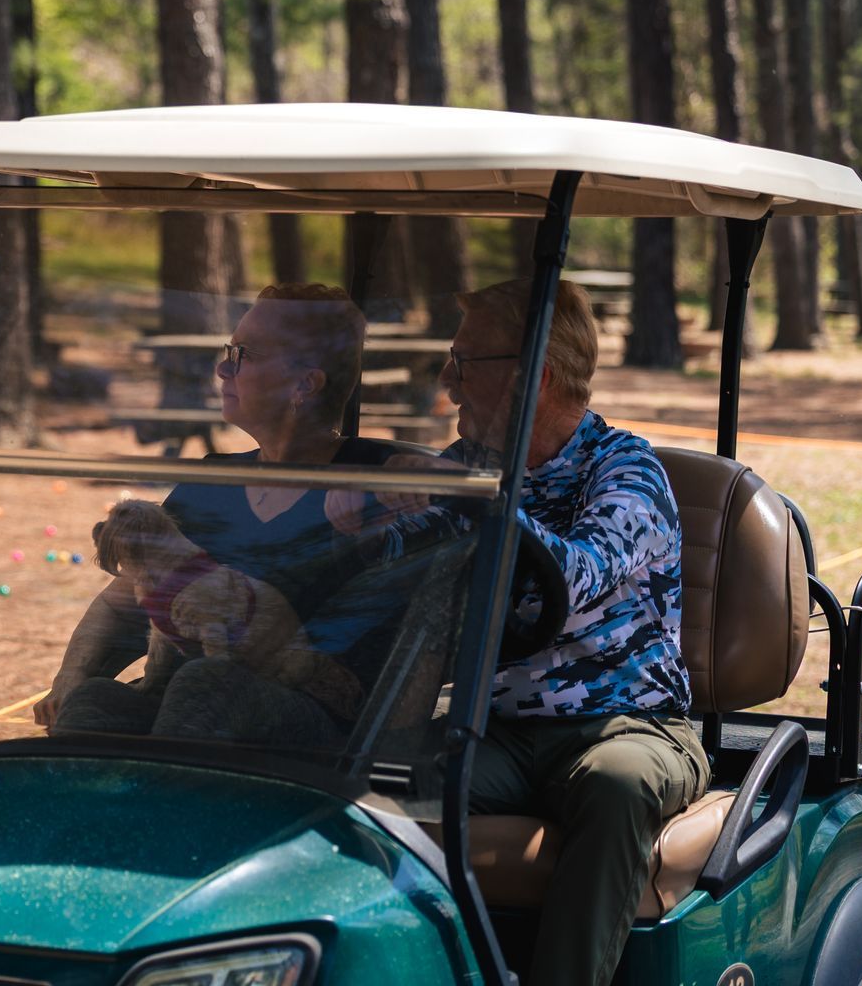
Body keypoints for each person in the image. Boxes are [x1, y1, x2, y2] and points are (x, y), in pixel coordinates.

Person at [436, 277, 708, 986]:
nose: (446, 383)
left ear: (535, 377)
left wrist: (471, 502)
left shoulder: (624, 470)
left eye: (465, 364)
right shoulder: (464, 466)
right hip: (491, 725)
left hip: (628, 726)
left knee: (619, 785)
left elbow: (579, 574)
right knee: (368, 771)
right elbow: (383, 564)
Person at [37, 283, 427, 745]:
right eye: (228, 350)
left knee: (205, 682)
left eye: (243, 354)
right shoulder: (211, 483)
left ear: (305, 384)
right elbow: (119, 604)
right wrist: (69, 682)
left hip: (309, 729)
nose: (223, 368)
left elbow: (474, 480)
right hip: (187, 709)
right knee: (96, 701)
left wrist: (417, 470)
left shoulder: (382, 481)